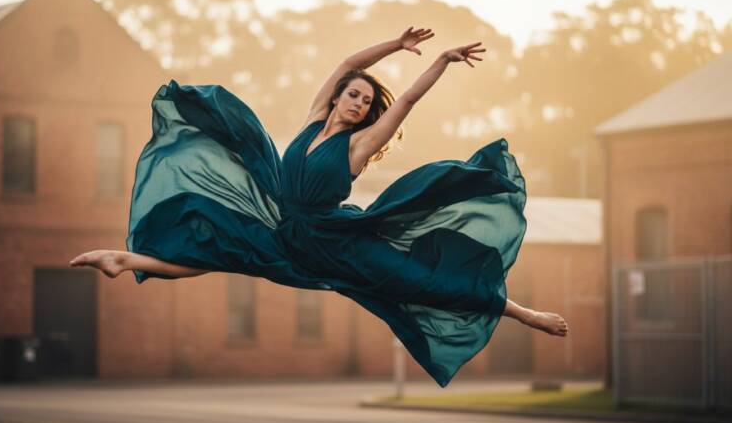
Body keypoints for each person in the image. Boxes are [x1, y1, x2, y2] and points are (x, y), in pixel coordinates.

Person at [70, 26, 568, 387]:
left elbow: (408, 102)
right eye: (352, 95)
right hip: (282, 227)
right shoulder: (313, 119)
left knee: (422, 282)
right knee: (214, 245)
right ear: (336, 99)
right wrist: (396, 45)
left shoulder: (357, 147)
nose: (356, 102)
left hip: (338, 243)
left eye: (364, 102)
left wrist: (440, 61)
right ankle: (123, 259)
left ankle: (523, 313)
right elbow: (348, 63)